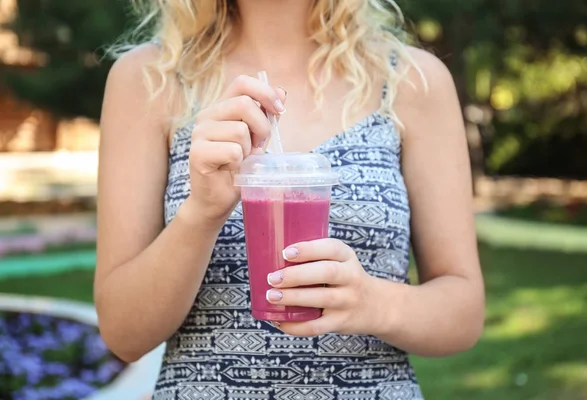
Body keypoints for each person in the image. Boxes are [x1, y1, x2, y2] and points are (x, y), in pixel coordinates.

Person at [95, 0, 485, 398]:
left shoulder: (411, 80)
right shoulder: (148, 79)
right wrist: (202, 213)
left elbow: (464, 314)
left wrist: (374, 303)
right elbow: (124, 334)